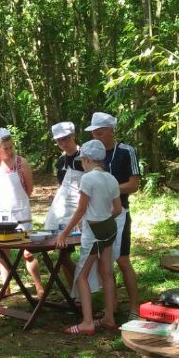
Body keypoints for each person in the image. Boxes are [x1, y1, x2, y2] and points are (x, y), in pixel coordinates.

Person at [56, 140, 122, 335]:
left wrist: (64, 232)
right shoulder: (111, 178)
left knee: (82, 275)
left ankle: (87, 322)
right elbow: (117, 209)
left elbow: (81, 209)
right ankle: (109, 318)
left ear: (86, 160)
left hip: (93, 231)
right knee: (107, 272)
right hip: (110, 228)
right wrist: (104, 219)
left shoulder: (87, 179)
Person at [80, 112, 141, 317]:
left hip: (119, 212)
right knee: (102, 263)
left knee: (122, 260)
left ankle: (134, 308)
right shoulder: (90, 154)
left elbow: (134, 184)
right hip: (98, 215)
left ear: (110, 131)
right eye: (94, 133)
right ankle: (111, 307)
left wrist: (109, 190)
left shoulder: (126, 151)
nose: (96, 136)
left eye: (100, 132)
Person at [0, 128, 44, 297]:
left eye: (11, 147)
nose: (9, 151)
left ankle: (39, 286)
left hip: (20, 213)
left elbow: (29, 188)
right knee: (3, 251)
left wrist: (18, 203)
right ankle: (6, 287)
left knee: (28, 252)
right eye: (5, 148)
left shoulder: (21, 163)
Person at [42, 122, 83, 283]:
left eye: (65, 139)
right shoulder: (60, 161)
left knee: (93, 255)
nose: (62, 143)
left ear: (73, 136)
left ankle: (85, 290)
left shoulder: (85, 157)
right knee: (62, 253)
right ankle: (74, 291)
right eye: (59, 140)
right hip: (61, 214)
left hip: (81, 211)